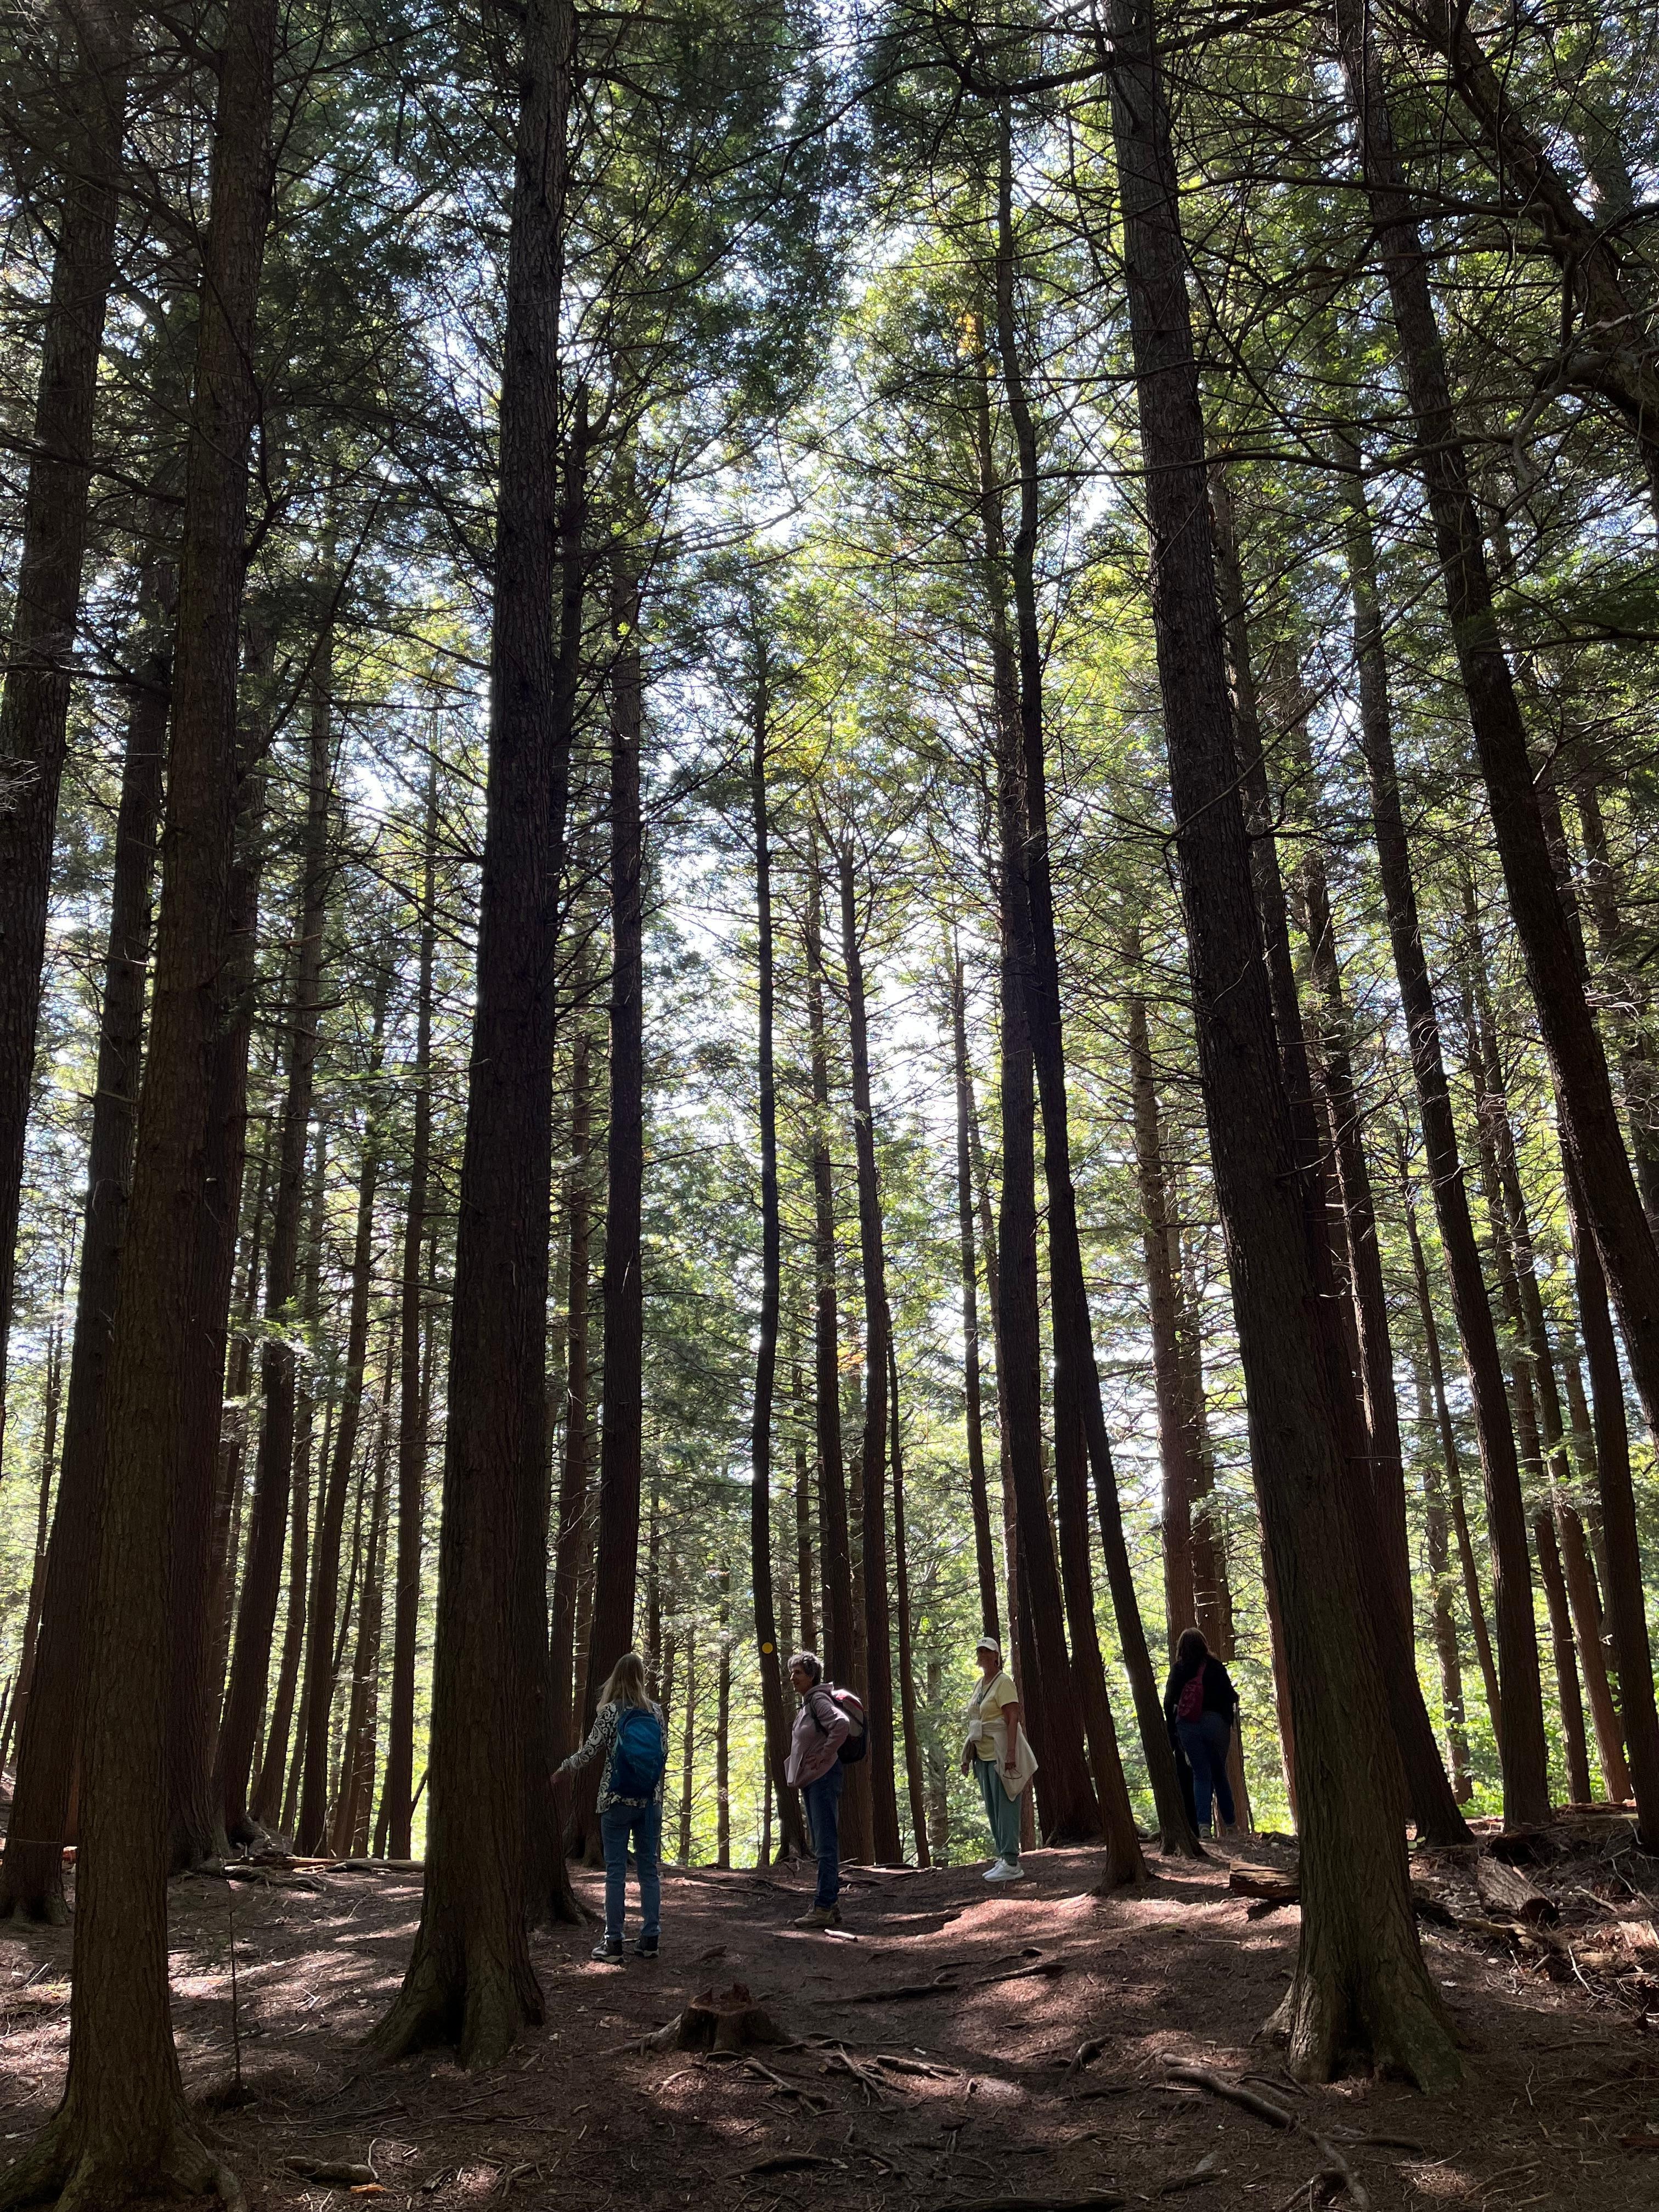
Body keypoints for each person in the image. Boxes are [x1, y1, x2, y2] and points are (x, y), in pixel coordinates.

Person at [554, 1650, 667, 1962]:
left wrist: (564, 1769)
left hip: (615, 1799)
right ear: (642, 1678)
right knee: (649, 1871)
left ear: (616, 1678)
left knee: (615, 1872)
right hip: (649, 1801)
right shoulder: (656, 1712)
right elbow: (663, 1754)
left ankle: (614, 1943)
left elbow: (590, 1751)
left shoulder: (611, 1713)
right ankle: (650, 1939)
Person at [785, 1650, 848, 1928]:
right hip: (814, 1780)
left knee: (825, 1845)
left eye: (798, 1672)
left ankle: (822, 1906)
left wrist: (824, 1754)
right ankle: (830, 1902)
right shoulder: (809, 1702)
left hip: (823, 1778)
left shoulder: (819, 1699)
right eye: (792, 1672)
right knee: (821, 1843)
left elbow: (842, 1724)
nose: (792, 1678)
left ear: (812, 1675)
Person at [1162, 1627, 1239, 1838]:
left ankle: (1204, 1827)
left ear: (1181, 1648)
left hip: (1188, 1726)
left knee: (1200, 1775)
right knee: (1220, 1774)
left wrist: (1173, 1733)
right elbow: (1230, 1696)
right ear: (1204, 1644)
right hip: (1216, 1725)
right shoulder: (1215, 1666)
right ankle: (1231, 1826)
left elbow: (1169, 1702)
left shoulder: (1178, 1669)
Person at [960, 1635, 1025, 1882]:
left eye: (988, 1651)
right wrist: (968, 1755)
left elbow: (1012, 1718)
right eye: (980, 1651)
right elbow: (976, 1722)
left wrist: (1011, 1753)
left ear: (997, 1656)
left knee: (1006, 1803)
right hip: (983, 1755)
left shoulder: (1004, 1683)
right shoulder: (980, 1684)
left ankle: (1011, 1860)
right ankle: (1002, 1856)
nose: (983, 1655)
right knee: (993, 1808)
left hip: (1000, 1752)